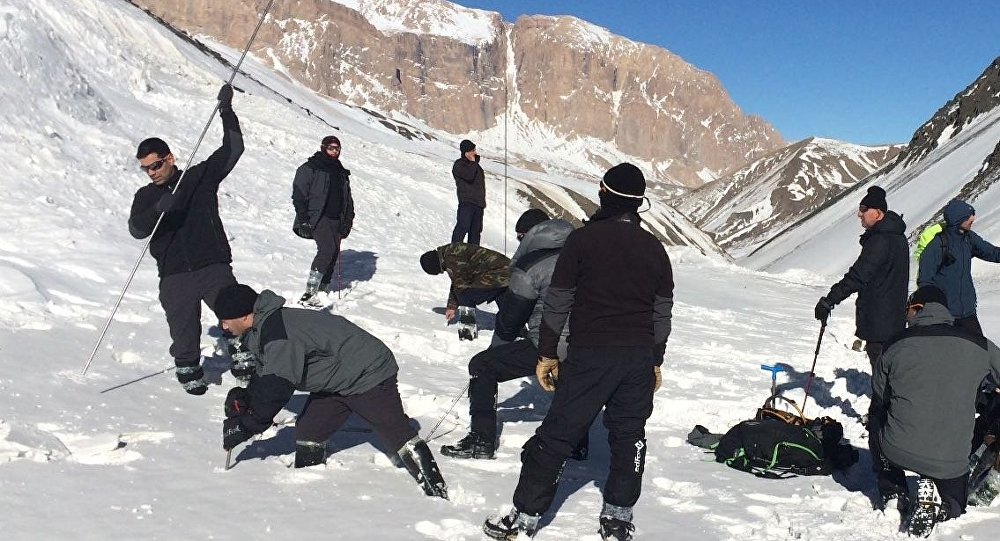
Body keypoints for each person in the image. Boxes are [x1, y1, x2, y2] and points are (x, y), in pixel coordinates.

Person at [484, 163, 674, 541]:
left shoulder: (583, 241)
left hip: (591, 354)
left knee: (558, 434)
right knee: (630, 436)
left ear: (605, 193)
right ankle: (618, 517)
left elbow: (558, 303)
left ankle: (525, 518)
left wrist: (547, 354)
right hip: (637, 357)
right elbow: (661, 313)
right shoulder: (655, 249)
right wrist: (655, 360)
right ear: (638, 203)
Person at [213, 283, 448, 499]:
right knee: (309, 431)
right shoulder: (263, 327)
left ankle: (436, 491)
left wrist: (247, 425)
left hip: (367, 374)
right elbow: (267, 372)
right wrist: (246, 398)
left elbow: (277, 386)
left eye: (225, 320)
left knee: (394, 430)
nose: (223, 327)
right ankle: (312, 492)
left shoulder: (278, 334)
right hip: (335, 379)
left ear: (244, 316)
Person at [440, 210, 588, 460]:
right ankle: (575, 443)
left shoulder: (532, 265)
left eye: (520, 237)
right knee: (570, 381)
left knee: (482, 365)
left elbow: (510, 322)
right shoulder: (585, 257)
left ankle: (481, 440)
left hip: (549, 344)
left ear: (531, 235)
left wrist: (492, 357)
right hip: (588, 345)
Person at [128, 84, 243, 396]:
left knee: (235, 313)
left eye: (156, 164)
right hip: (174, 273)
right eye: (145, 169)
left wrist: (227, 111)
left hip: (212, 265)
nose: (151, 172)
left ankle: (245, 358)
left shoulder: (197, 179)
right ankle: (188, 367)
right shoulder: (145, 196)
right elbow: (137, 229)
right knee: (183, 327)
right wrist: (156, 209)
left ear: (170, 158)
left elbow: (233, 150)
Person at [869, 285, 1000, 536]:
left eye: (908, 311)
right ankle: (943, 507)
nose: (906, 317)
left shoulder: (895, 343)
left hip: (898, 450)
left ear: (918, 309)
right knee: (957, 504)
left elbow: (880, 395)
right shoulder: (978, 344)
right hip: (951, 461)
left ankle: (894, 490)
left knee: (876, 413)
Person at [814, 186, 908, 370]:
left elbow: (858, 275)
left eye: (865, 209)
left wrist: (830, 300)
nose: (859, 214)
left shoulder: (880, 241)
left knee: (882, 378)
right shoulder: (897, 237)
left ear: (878, 213)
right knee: (890, 373)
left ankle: (882, 400)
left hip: (880, 322)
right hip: (893, 319)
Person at [917, 198, 1000, 337]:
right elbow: (925, 281)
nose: (973, 218)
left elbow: (992, 253)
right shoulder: (938, 245)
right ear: (958, 220)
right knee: (952, 356)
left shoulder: (969, 238)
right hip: (945, 316)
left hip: (968, 312)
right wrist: (934, 309)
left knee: (979, 352)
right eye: (969, 217)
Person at [291, 135, 355, 304]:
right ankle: (310, 290)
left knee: (333, 252)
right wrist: (303, 219)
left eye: (337, 148)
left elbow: (347, 199)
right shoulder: (310, 168)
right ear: (323, 147)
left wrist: (348, 221)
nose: (334, 151)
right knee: (327, 249)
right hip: (318, 216)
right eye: (331, 148)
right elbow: (299, 194)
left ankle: (323, 288)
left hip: (337, 218)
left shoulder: (341, 172)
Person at [419, 241, 510, 340]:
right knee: (501, 296)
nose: (441, 273)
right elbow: (457, 280)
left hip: (499, 274)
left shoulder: (451, 258)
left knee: (465, 295)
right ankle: (514, 327)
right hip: (506, 273)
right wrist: (452, 307)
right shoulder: (448, 252)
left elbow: (461, 286)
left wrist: (454, 306)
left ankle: (467, 332)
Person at [451, 139, 486, 245]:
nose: (475, 153)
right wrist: (473, 162)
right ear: (466, 152)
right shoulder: (459, 165)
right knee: (462, 227)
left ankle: (472, 256)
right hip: (467, 202)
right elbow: (468, 176)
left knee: (475, 232)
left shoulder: (476, 166)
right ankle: (453, 251)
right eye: (472, 150)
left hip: (478, 204)